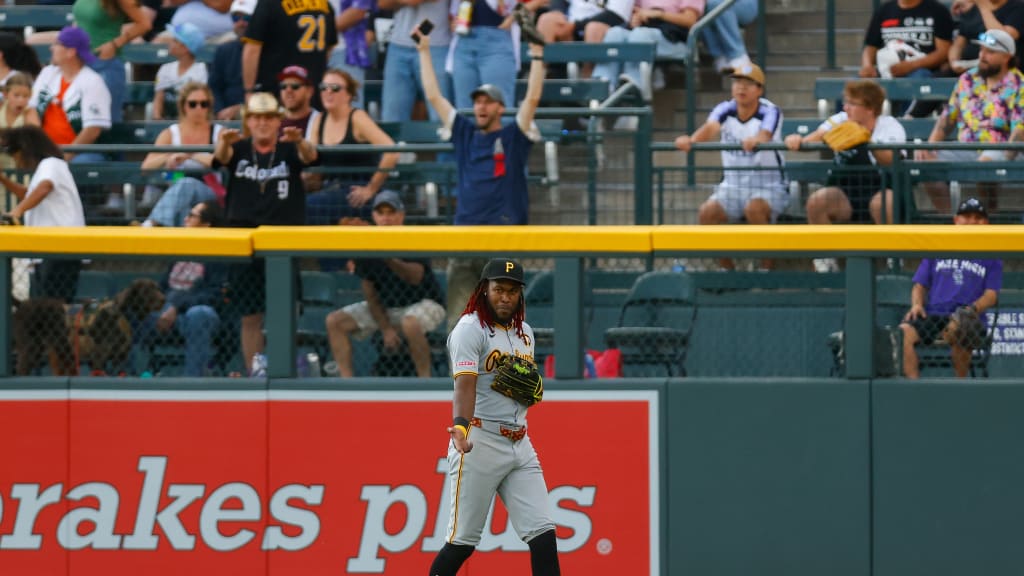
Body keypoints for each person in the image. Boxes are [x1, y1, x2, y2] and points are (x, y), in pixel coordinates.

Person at [430, 257, 560, 576]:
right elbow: (465, 386)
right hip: (479, 440)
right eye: (498, 289)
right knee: (462, 542)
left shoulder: (524, 333)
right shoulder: (469, 330)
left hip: (520, 443)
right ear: (483, 290)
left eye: (512, 291)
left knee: (544, 535)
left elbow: (521, 390)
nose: (505, 296)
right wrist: (460, 427)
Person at [416, 28, 545, 330]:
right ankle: (461, 378)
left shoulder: (513, 136)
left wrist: (537, 55)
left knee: (502, 327)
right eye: (477, 101)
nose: (481, 106)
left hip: (502, 239)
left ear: (500, 107)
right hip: (465, 238)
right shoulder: (464, 134)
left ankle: (502, 379)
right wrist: (424, 50)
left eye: (488, 102)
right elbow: (434, 95)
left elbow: (533, 97)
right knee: (460, 325)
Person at [212, 91, 318, 375]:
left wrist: (300, 141)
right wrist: (222, 142)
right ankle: (253, 371)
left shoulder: (288, 148)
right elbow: (220, 160)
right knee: (250, 314)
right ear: (248, 121)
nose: (262, 123)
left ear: (278, 121)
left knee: (286, 312)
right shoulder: (239, 147)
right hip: (246, 243)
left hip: (284, 241)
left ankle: (284, 369)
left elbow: (311, 157)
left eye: (269, 117)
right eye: (257, 117)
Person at [673, 63, 787, 271]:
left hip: (769, 186)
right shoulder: (725, 108)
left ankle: (765, 269)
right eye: (737, 83)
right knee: (707, 213)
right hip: (732, 187)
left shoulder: (770, 111)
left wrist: (757, 140)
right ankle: (728, 271)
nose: (741, 88)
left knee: (754, 208)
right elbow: (710, 128)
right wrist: (691, 141)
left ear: (759, 89)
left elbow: (765, 134)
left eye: (748, 84)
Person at [324, 191, 445, 377]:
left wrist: (388, 258)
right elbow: (370, 293)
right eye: (381, 213)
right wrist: (386, 328)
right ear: (374, 216)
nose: (386, 218)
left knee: (410, 322)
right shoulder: (367, 243)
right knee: (334, 321)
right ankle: (347, 384)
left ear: (401, 216)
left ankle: (424, 382)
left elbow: (415, 277)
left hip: (424, 303)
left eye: (391, 212)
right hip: (386, 308)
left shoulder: (413, 236)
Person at [915, 29, 1024, 213]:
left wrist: (1003, 159)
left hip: (1004, 149)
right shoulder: (967, 79)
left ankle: (988, 216)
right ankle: (954, 221)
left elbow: (1019, 132)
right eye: (982, 50)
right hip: (965, 148)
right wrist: (930, 147)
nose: (982, 56)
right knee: (923, 163)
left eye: (990, 52)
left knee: (985, 162)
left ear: (1007, 57)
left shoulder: (1019, 84)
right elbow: (947, 120)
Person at [900, 197, 1002, 379]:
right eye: (966, 217)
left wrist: (970, 310)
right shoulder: (939, 246)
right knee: (903, 333)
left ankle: (959, 386)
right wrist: (916, 304)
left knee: (962, 327)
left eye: (978, 218)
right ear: (955, 221)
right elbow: (919, 285)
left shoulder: (992, 254)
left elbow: (991, 295)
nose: (972, 222)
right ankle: (914, 388)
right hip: (934, 314)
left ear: (986, 223)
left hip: (969, 316)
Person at [786, 80, 907, 228]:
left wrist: (867, 141)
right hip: (845, 188)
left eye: (852, 104)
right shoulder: (841, 119)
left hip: (881, 186)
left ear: (870, 108)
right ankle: (832, 250)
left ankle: (888, 250)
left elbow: (891, 161)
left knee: (884, 203)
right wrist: (797, 141)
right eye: (846, 102)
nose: (845, 107)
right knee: (817, 202)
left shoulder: (890, 125)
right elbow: (815, 139)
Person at [137, 201, 228, 376]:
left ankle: (192, 382)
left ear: (207, 225)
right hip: (165, 311)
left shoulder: (220, 253)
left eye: (192, 216)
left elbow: (214, 294)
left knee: (200, 314)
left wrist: (176, 307)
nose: (185, 219)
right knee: (133, 309)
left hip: (193, 315)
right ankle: (134, 376)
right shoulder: (181, 248)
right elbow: (163, 286)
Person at [0, 126, 86, 303]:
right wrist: (2, 178)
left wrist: (17, 211)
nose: (15, 160)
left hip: (59, 250)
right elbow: (28, 194)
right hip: (49, 251)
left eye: (15, 153)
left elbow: (45, 187)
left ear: (26, 149)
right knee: (41, 310)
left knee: (52, 308)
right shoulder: (46, 168)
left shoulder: (52, 164)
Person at [306, 68, 399, 224]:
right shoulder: (319, 120)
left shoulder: (357, 118)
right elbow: (311, 158)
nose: (328, 92)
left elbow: (392, 151)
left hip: (357, 191)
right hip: (330, 188)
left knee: (309, 206)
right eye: (324, 87)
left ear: (348, 95)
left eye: (335, 88)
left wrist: (371, 188)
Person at [140, 82, 225, 225]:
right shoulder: (170, 133)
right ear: (183, 106)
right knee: (181, 186)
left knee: (186, 184)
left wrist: (190, 154)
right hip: (177, 181)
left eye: (204, 104)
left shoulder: (219, 133)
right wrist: (169, 156)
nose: (198, 108)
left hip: (210, 186)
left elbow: (221, 161)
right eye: (193, 104)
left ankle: (153, 224)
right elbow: (146, 167)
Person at [591, 0, 703, 103]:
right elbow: (634, 13)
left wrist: (659, 15)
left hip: (675, 39)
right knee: (615, 33)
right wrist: (635, 19)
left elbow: (690, 20)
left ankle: (633, 87)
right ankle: (602, 84)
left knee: (640, 35)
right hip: (642, 32)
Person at [30, 26, 112, 161]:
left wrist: (64, 158)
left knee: (85, 161)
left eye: (57, 44)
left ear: (71, 52)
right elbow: (31, 110)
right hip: (44, 148)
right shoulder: (48, 73)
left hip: (78, 152)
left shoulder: (93, 82)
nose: (51, 48)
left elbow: (92, 130)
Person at [859, 0, 953, 116]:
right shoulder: (884, 10)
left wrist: (911, 66)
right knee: (852, 86)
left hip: (922, 70)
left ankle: (909, 125)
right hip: (886, 70)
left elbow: (943, 51)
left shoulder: (937, 10)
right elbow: (870, 46)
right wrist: (867, 66)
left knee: (920, 80)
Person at [71, 0, 152, 124]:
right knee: (76, 118)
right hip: (80, 62)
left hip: (105, 64)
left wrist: (115, 44)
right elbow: (79, 21)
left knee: (106, 121)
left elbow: (144, 24)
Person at [242, 0, 337, 98]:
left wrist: (249, 90)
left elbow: (252, 49)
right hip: (313, 86)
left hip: (278, 88)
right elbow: (328, 49)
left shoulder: (269, 3)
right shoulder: (325, 4)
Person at [380, 0, 452, 122]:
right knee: (392, 116)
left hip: (436, 45)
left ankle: (444, 142)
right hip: (398, 45)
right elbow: (382, 3)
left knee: (440, 114)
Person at [537, 0, 634, 78]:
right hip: (570, 28)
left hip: (605, 31)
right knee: (547, 20)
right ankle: (539, 78)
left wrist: (575, 26)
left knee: (593, 28)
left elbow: (617, 16)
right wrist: (557, 13)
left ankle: (588, 84)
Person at [947, 0, 1024, 75]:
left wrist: (982, 6)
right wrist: (954, 62)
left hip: (999, 70)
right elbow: (958, 44)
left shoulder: (1018, 8)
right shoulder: (973, 9)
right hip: (968, 70)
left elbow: (1002, 39)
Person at [152, 22, 209, 120]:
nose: (170, 43)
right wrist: (157, 120)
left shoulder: (201, 70)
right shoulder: (165, 68)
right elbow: (159, 98)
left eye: (175, 41)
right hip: (166, 120)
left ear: (185, 48)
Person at [1, 74, 41, 210]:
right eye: (16, 95)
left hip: (22, 172)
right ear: (6, 94)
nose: (21, 100)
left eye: (25, 96)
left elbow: (33, 136)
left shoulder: (30, 112)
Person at [210, 0, 254, 121]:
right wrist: (219, 111)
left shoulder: (267, 51)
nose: (241, 23)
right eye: (236, 18)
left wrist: (240, 108)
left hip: (259, 111)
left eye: (246, 18)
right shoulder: (224, 50)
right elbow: (214, 86)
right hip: (225, 115)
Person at [326, 0, 374, 105]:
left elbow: (359, 10)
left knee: (350, 108)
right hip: (312, 48)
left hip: (348, 51)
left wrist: (322, 32)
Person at [700, 0, 757, 74]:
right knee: (699, 6)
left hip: (745, 4)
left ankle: (738, 55)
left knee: (715, 4)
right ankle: (719, 55)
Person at [277, 65, 321, 139]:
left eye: (295, 86)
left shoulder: (319, 121)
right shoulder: (273, 118)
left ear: (309, 91)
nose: (288, 90)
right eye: (283, 86)